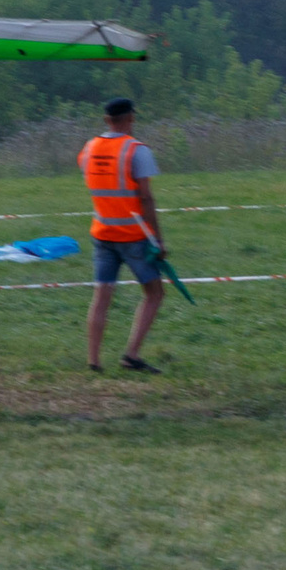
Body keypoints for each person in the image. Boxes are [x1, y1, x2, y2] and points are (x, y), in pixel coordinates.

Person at [81, 97, 168, 374]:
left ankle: (94, 361)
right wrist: (157, 239)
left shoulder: (89, 149)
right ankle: (131, 354)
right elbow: (146, 197)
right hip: (133, 237)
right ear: (131, 118)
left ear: (107, 120)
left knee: (102, 295)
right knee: (154, 293)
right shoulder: (136, 151)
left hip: (102, 232)